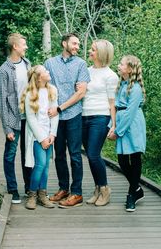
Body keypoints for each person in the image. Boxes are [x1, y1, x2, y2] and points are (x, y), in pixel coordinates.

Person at [44, 33, 90, 208]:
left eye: (78, 44)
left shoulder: (81, 64)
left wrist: (60, 108)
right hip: (55, 118)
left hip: (73, 115)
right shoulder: (50, 63)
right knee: (59, 155)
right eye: (74, 43)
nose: (77, 46)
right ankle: (64, 188)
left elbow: (80, 93)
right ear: (64, 44)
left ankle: (77, 193)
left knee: (75, 155)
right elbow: (46, 88)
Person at [81, 39, 118, 206]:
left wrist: (114, 125)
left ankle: (105, 189)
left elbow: (112, 103)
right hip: (84, 116)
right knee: (90, 155)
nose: (90, 51)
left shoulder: (110, 76)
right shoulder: (86, 71)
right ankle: (97, 188)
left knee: (94, 154)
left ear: (102, 53)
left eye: (93, 49)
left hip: (101, 117)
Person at [0, 33, 32, 204]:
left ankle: (29, 187)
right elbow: (2, 100)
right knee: (10, 154)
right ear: (15, 47)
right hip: (13, 118)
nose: (26, 47)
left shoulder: (27, 65)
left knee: (28, 153)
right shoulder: (4, 70)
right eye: (23, 44)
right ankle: (12, 188)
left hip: (29, 117)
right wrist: (7, 128)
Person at [108, 55, 146, 212]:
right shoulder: (121, 85)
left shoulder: (135, 87)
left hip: (133, 124)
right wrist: (112, 126)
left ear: (130, 69)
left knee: (135, 157)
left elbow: (130, 112)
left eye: (122, 64)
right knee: (122, 160)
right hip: (121, 122)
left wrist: (118, 131)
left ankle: (131, 194)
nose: (119, 65)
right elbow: (116, 108)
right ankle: (137, 189)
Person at [20, 65, 59, 210]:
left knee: (46, 166)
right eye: (45, 71)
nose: (48, 71)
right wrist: (42, 138)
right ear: (38, 76)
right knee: (40, 164)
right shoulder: (30, 94)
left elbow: (55, 114)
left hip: (49, 135)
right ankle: (32, 194)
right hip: (36, 136)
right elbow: (31, 119)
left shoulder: (52, 90)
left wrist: (52, 134)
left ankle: (43, 195)